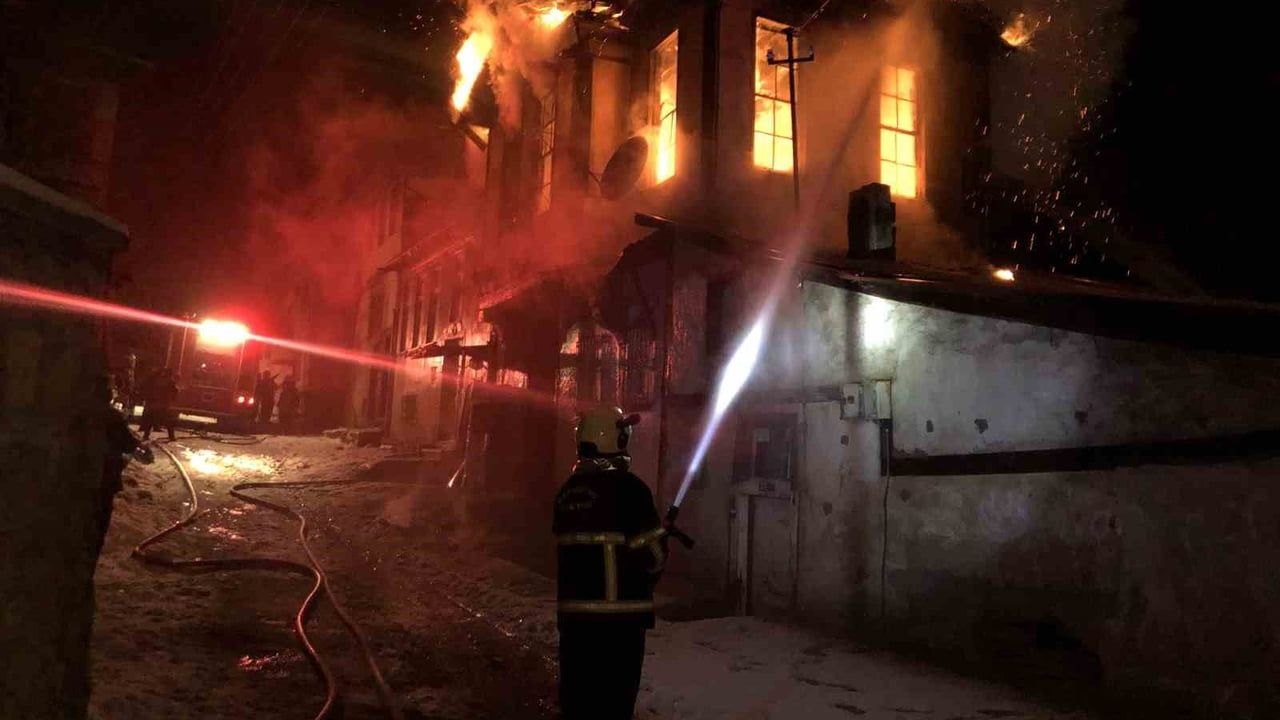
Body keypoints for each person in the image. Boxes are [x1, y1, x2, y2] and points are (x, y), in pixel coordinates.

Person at [553, 406, 667, 720]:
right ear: (615, 438)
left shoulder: (565, 494)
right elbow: (654, 557)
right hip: (620, 626)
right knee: (613, 708)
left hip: (575, 624)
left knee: (578, 706)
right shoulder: (631, 490)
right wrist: (658, 538)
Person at [95, 375, 152, 557]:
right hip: (103, 478)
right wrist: (141, 449)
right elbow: (128, 444)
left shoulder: (72, 414)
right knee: (96, 527)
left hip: (75, 480)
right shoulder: (111, 418)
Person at [139, 367, 178, 441]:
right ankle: (171, 437)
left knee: (150, 420)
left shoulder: (156, 380)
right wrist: (172, 399)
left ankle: (146, 435)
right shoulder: (170, 381)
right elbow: (175, 391)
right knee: (168, 421)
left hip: (154, 404)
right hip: (163, 404)